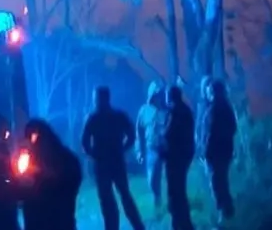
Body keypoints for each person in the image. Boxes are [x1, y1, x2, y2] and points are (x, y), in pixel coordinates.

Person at [81, 86, 144, 230]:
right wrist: (123, 148)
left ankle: (115, 227)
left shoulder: (94, 118)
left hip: (105, 163)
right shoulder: (115, 116)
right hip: (114, 161)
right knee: (122, 195)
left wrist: (94, 154)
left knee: (110, 198)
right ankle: (137, 226)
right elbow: (131, 135)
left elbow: (84, 143)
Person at [21, 119, 82, 230]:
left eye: (33, 137)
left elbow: (71, 183)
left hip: (58, 219)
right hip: (42, 221)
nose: (31, 142)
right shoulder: (31, 160)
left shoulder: (64, 159)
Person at [198, 79, 238, 224]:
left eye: (210, 91)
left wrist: (205, 151)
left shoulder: (214, 109)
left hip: (215, 153)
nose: (208, 93)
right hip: (225, 151)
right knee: (221, 181)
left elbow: (210, 133)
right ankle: (227, 212)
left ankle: (224, 214)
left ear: (214, 92)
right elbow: (233, 128)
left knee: (217, 183)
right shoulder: (227, 108)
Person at [161, 85, 196, 230]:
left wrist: (161, 143)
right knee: (179, 189)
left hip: (175, 156)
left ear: (170, 96)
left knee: (175, 191)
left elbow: (169, 132)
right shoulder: (186, 110)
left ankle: (180, 224)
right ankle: (184, 223)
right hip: (185, 154)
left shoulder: (174, 111)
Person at [135, 80, 168, 209]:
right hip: (152, 149)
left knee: (169, 178)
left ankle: (170, 205)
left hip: (167, 149)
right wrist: (139, 151)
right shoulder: (144, 111)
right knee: (152, 178)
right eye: (156, 94)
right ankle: (157, 200)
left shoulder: (168, 110)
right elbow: (139, 131)